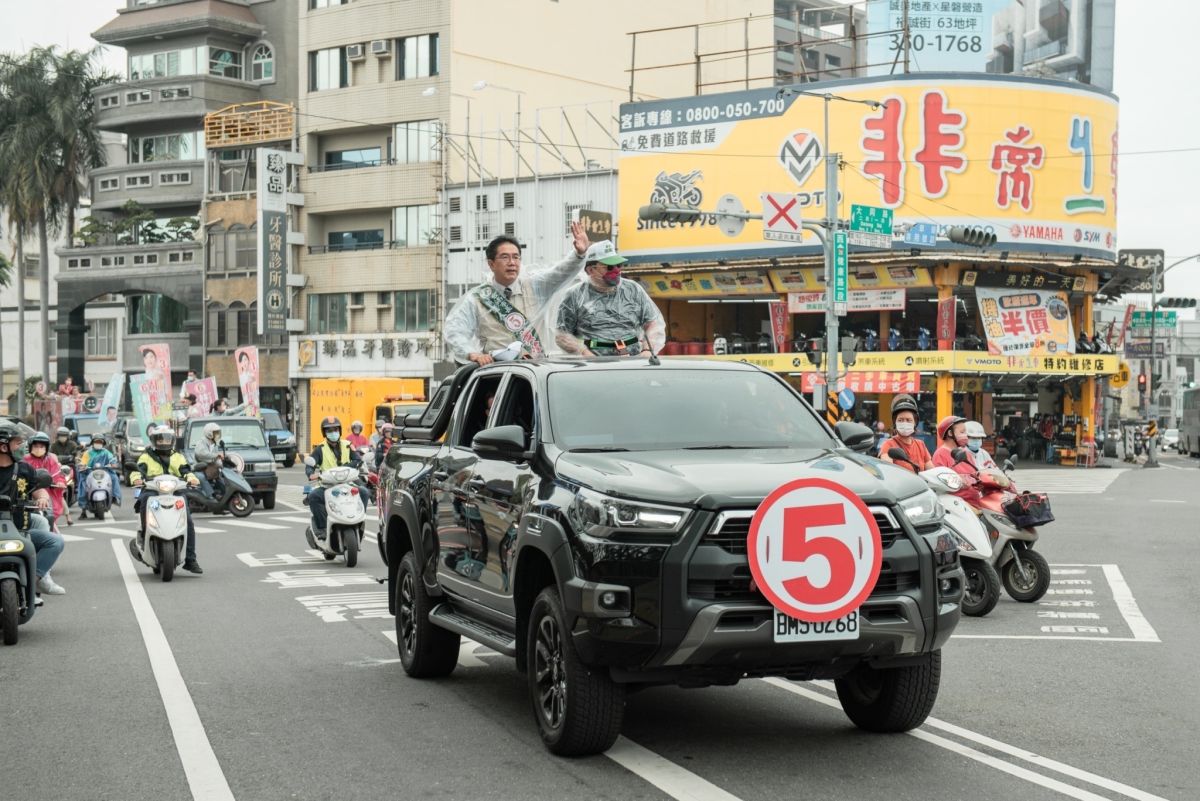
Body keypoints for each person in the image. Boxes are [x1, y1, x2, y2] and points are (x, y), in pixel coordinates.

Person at [444, 221, 590, 365]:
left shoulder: (535, 285)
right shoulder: (478, 297)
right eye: (505, 257)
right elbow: (456, 330)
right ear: (491, 263)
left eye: (516, 257)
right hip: (497, 373)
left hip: (534, 371)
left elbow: (560, 272)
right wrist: (472, 353)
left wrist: (579, 254)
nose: (512, 262)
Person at [554, 240, 666, 357]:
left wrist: (647, 350)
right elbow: (562, 334)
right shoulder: (575, 295)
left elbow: (653, 323)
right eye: (610, 267)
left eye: (619, 265)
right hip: (593, 365)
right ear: (590, 270)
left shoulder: (633, 289)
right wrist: (583, 352)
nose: (616, 270)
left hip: (631, 361)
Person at [0, 424, 66, 596]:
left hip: (20, 531)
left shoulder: (24, 468)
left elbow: (37, 488)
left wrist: (43, 497)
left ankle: (35, 581)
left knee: (55, 541)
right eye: (17, 443)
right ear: (3, 446)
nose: (22, 447)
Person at [131, 423, 203, 574]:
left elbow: (186, 471)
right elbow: (138, 471)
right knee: (144, 501)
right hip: (153, 491)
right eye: (160, 439)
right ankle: (145, 537)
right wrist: (136, 479)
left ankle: (190, 559)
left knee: (188, 521)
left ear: (172, 440)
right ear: (153, 440)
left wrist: (192, 478)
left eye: (166, 439)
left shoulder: (178, 456)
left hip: (174, 491)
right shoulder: (146, 456)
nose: (163, 442)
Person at [305, 416, 362, 543]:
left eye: (335, 430)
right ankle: (322, 528)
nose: (333, 433)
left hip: (347, 482)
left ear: (340, 431)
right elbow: (310, 465)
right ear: (324, 433)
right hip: (327, 485)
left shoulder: (348, 445)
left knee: (364, 492)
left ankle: (359, 521)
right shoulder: (319, 449)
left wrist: (346, 467)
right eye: (329, 431)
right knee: (313, 496)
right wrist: (310, 474)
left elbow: (357, 460)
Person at [877, 394, 934, 474]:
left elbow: (932, 471)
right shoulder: (888, 445)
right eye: (900, 420)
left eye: (908, 420)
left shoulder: (920, 445)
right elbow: (887, 473)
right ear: (895, 423)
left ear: (915, 423)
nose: (904, 423)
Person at [22, 432, 68, 531]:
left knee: (50, 519)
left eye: (42, 446)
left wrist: (59, 482)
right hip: (26, 494)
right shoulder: (24, 460)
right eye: (36, 446)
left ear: (46, 447)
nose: (38, 448)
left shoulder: (50, 460)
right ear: (30, 446)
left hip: (47, 494)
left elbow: (58, 474)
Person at [77, 433, 122, 514]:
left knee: (114, 477)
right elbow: (83, 462)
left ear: (103, 443)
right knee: (83, 482)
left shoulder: (106, 452)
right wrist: (83, 466)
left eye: (100, 442)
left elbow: (112, 459)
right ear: (92, 443)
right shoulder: (87, 453)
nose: (98, 443)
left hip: (105, 471)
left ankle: (115, 497)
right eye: (96, 442)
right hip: (89, 472)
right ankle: (83, 507)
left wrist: (113, 463)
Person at [193, 422, 223, 502]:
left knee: (220, 476)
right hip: (199, 468)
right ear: (209, 433)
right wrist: (216, 455)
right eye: (215, 432)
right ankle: (211, 496)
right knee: (201, 477)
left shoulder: (214, 443)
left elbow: (216, 459)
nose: (217, 434)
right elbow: (202, 454)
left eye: (218, 432)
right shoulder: (201, 442)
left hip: (209, 468)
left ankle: (223, 496)